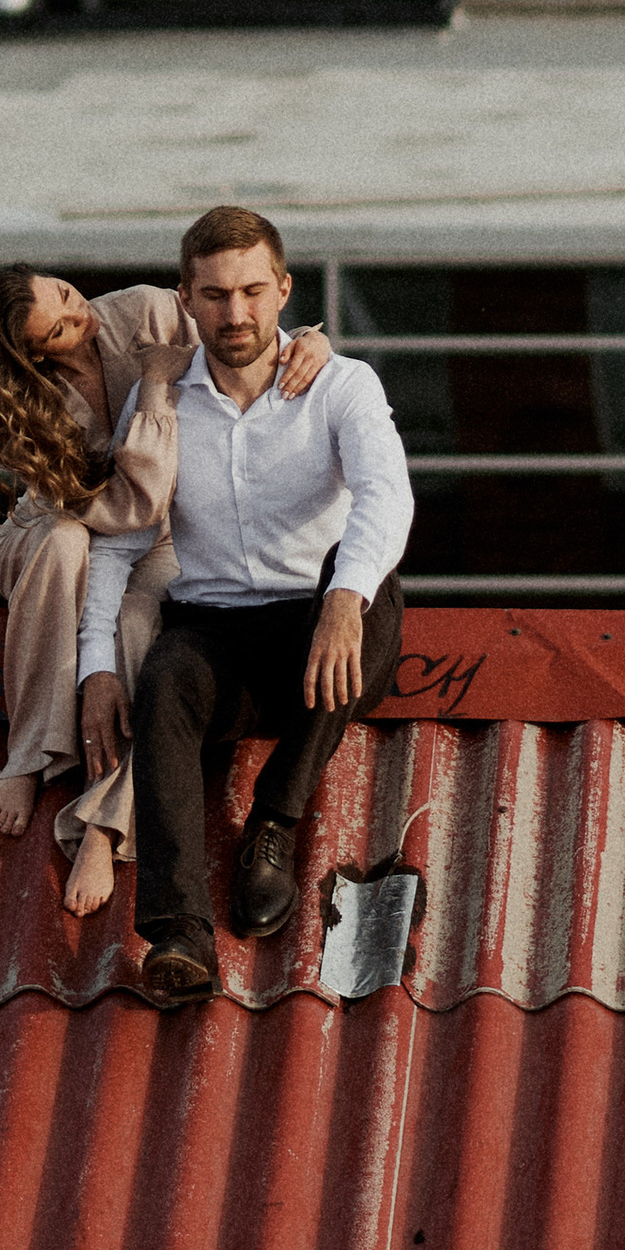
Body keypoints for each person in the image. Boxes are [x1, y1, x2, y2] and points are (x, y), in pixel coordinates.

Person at [78, 203, 410, 1006]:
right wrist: (94, 664)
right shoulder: (162, 403)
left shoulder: (339, 382)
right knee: (164, 683)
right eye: (217, 294)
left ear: (285, 288)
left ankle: (274, 822)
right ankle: (177, 933)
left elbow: (385, 495)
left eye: (254, 291)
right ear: (186, 299)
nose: (238, 312)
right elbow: (120, 539)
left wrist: (342, 599)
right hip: (215, 625)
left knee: (373, 594)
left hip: (314, 620)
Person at [0, 265, 330, 918]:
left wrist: (310, 346)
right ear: (31, 353)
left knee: (141, 623)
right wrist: (157, 387)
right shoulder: (28, 402)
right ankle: (29, 751)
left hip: (162, 537)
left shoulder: (149, 313)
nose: (80, 314)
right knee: (62, 544)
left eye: (66, 293)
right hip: (64, 527)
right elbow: (125, 500)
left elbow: (251, 341)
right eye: (61, 328)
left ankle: (103, 823)